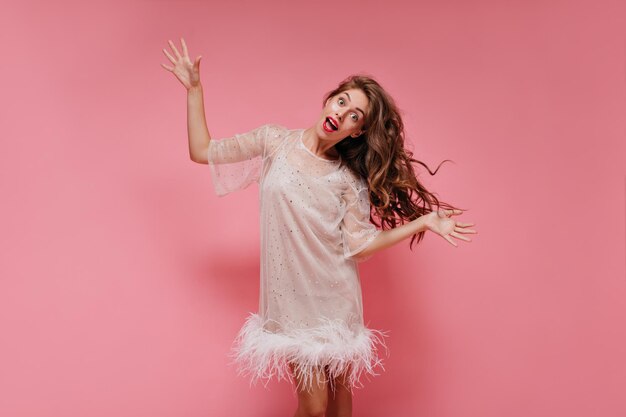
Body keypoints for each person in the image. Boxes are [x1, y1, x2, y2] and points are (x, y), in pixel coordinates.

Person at [161, 38, 477, 417]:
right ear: (329, 101)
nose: (343, 114)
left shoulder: (348, 181)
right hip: (291, 302)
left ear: (357, 132)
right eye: (342, 102)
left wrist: (421, 222)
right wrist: (194, 90)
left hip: (336, 297)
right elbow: (202, 151)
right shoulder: (274, 141)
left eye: (355, 116)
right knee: (313, 406)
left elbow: (359, 247)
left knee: (340, 401)